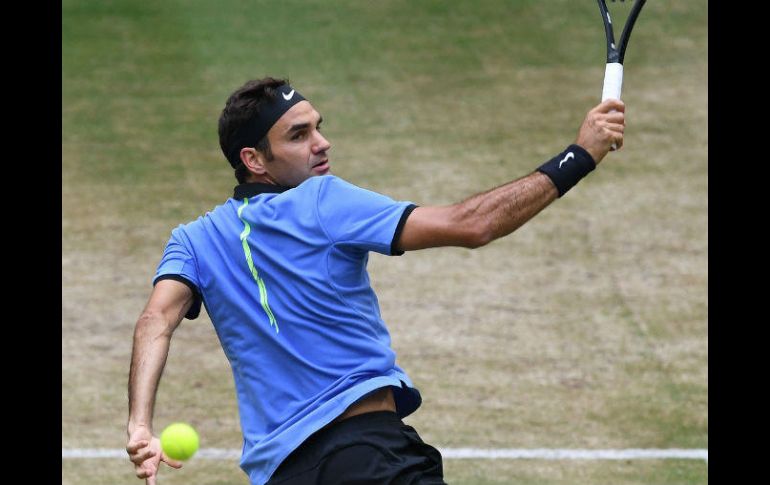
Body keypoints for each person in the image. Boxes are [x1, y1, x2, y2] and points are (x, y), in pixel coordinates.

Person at [126, 76, 625, 484]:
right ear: (254, 160)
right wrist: (580, 154)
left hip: (284, 475)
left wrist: (140, 424)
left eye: (318, 128)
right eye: (298, 136)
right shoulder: (323, 200)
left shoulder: (192, 240)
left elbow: (156, 320)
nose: (321, 144)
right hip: (367, 457)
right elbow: (473, 224)